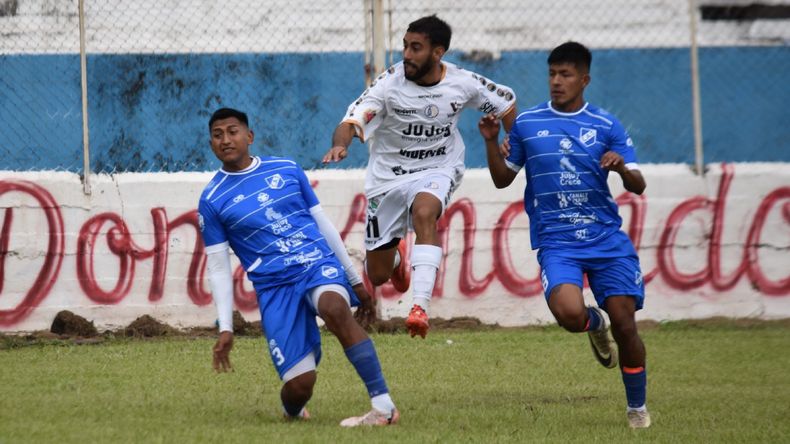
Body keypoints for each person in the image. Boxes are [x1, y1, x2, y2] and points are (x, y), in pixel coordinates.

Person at [478, 41, 651, 429]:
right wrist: (490, 142)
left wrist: (622, 168)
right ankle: (594, 325)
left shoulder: (606, 125)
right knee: (570, 314)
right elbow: (503, 178)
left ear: (584, 79)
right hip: (557, 241)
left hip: (606, 240)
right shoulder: (527, 123)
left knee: (626, 323)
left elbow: (638, 185)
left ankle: (637, 409)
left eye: (566, 74)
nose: (557, 82)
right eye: (552, 74)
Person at [198, 107, 398, 426]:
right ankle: (293, 410)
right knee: (299, 386)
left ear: (249, 136)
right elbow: (219, 268)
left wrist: (353, 279)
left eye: (233, 131)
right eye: (217, 134)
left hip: (314, 263)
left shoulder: (287, 169)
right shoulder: (212, 200)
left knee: (335, 308)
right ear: (210, 143)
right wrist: (225, 327)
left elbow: (324, 225)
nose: (225, 139)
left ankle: (383, 406)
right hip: (275, 288)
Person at [323, 15, 516, 338]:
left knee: (425, 211)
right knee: (379, 274)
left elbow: (506, 104)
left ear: (437, 52)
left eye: (416, 48)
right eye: (405, 46)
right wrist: (339, 144)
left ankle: (419, 308)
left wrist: (514, 143)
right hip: (387, 179)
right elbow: (352, 120)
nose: (407, 55)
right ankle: (397, 261)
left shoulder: (463, 82)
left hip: (438, 168)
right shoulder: (388, 84)